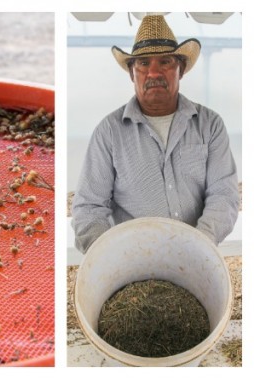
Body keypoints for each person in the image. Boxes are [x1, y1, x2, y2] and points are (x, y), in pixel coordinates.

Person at [72, 15, 239, 253]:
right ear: (131, 73)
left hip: (196, 256)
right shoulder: (109, 132)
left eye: (165, 62)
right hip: (132, 261)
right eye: (143, 63)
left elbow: (224, 196)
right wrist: (110, 255)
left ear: (180, 70)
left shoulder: (209, 125)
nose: (153, 73)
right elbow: (89, 208)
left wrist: (198, 244)